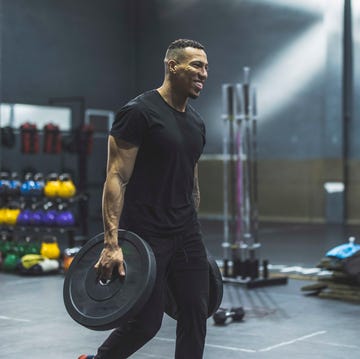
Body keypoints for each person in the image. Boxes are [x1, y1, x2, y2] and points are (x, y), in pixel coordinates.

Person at [79, 38, 209, 359]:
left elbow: (191, 179)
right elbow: (116, 177)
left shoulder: (196, 122)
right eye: (196, 66)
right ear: (172, 66)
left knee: (195, 313)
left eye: (206, 67)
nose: (204, 73)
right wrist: (112, 244)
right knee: (146, 323)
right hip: (146, 236)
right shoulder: (138, 113)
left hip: (186, 234)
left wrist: (194, 227)